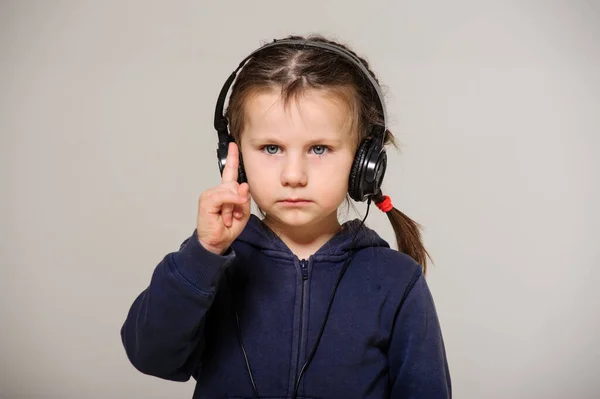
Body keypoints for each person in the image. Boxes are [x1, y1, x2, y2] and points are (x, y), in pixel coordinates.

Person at [120, 34, 451, 399]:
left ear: (364, 163)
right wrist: (203, 254)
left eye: (319, 149)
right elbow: (150, 356)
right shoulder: (208, 265)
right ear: (234, 158)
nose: (294, 175)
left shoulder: (396, 282)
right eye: (271, 148)